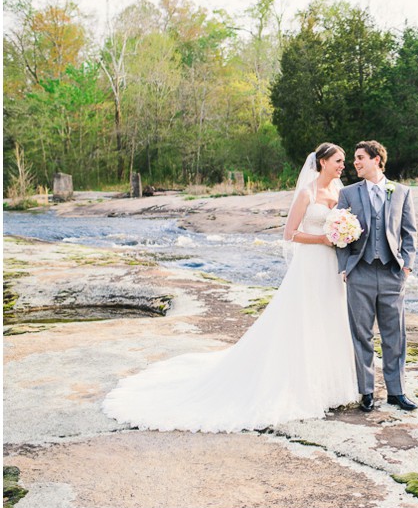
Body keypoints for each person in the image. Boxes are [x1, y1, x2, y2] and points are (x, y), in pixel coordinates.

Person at [102, 143, 358, 432]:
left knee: (328, 319)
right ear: (322, 162)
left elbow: (344, 223)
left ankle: (331, 387)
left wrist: (342, 235)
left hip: (331, 266)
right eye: (338, 161)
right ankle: (302, 386)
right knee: (304, 320)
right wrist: (322, 239)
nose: (342, 166)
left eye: (344, 161)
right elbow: (290, 234)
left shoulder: (339, 191)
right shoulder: (306, 193)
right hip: (310, 265)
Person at [336, 140, 418, 412]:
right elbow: (339, 234)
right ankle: (367, 392)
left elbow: (409, 233)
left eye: (360, 158)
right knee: (362, 335)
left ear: (376, 160)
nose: (355, 163)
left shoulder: (402, 192)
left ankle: (396, 392)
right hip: (359, 272)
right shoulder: (348, 193)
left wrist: (406, 266)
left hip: (392, 273)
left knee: (395, 335)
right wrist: (345, 266)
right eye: (355, 159)